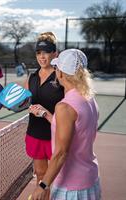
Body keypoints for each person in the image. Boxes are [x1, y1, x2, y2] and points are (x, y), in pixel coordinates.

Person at [30, 49, 101, 200]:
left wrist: (42, 185)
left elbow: (61, 154)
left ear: (61, 73)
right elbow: (75, 129)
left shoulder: (64, 107)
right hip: (91, 180)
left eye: (56, 68)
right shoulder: (89, 99)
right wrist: (47, 115)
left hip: (71, 189)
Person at [24, 32, 64, 198]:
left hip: (57, 135)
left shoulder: (61, 76)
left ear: (55, 53)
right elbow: (26, 103)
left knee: (61, 179)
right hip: (35, 133)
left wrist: (47, 114)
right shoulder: (31, 77)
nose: (42, 56)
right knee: (41, 176)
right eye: (39, 53)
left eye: (46, 52)